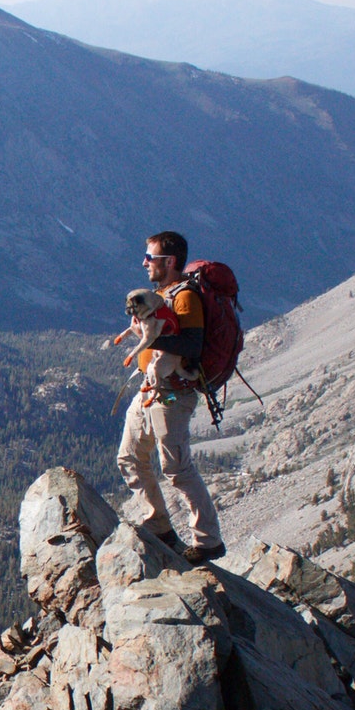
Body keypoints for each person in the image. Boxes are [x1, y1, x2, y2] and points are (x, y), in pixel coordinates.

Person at [115, 230, 225, 563]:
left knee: (176, 469)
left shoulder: (185, 297)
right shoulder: (162, 294)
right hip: (149, 387)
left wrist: (146, 340)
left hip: (173, 394)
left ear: (170, 261)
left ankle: (208, 541)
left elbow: (190, 346)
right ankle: (158, 525)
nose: (145, 263)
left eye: (150, 257)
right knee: (130, 457)